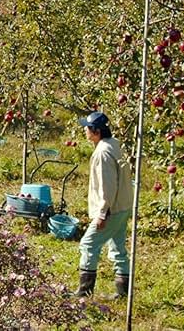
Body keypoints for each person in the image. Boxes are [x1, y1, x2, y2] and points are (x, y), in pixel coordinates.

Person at [71, 111, 133, 298]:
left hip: (111, 209)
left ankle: (84, 291)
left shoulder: (103, 153)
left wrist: (101, 213)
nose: (84, 130)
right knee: (118, 249)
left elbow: (108, 187)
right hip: (123, 206)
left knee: (88, 245)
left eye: (87, 128)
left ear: (96, 131)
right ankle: (123, 294)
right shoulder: (114, 144)